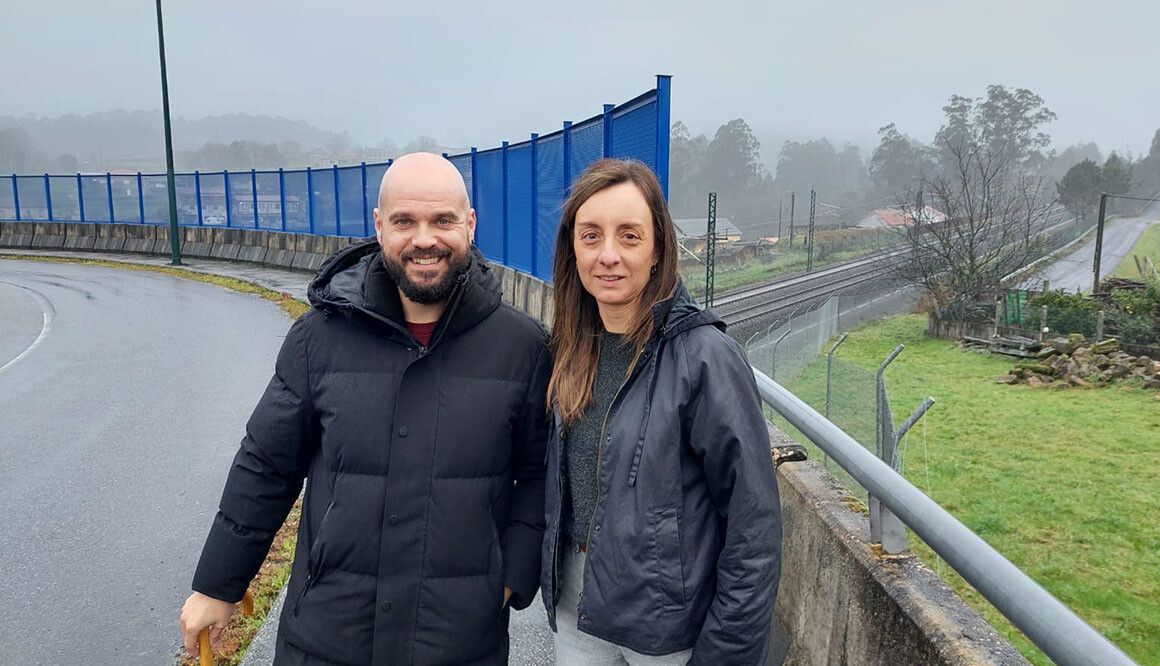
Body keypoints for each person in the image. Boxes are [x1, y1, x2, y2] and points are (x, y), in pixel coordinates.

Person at [179, 153, 552, 665]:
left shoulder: (524, 347)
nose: (425, 239)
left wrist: (511, 578)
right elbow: (267, 464)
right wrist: (218, 584)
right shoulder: (319, 336)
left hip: (461, 642)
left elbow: (537, 476)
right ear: (379, 227)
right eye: (405, 221)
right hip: (326, 637)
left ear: (470, 224)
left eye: (442, 220)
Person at [541, 158, 782, 665]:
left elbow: (753, 526)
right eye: (591, 236)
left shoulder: (704, 356)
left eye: (629, 236)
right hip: (575, 609)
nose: (608, 255)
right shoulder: (567, 348)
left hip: (668, 629)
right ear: (572, 250)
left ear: (657, 252)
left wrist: (727, 654)